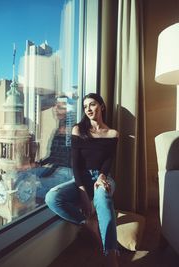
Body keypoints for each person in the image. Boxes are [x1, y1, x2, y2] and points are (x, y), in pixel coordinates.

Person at [45, 93, 119, 266]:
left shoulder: (113, 133)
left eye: (92, 105)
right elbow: (76, 165)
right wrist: (84, 193)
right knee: (52, 197)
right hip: (81, 178)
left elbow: (108, 161)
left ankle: (111, 256)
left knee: (102, 196)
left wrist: (101, 177)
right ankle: (88, 224)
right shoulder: (78, 129)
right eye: (85, 107)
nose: (88, 109)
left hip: (102, 177)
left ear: (102, 106)